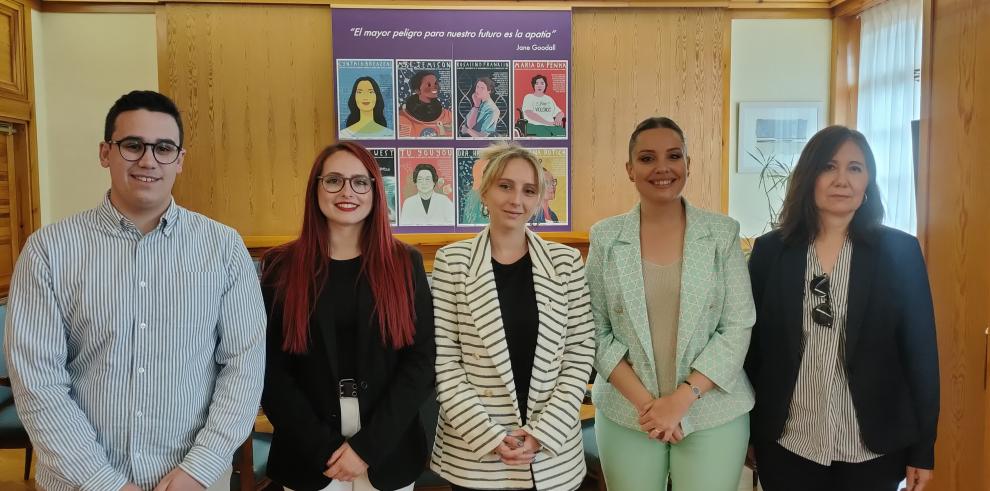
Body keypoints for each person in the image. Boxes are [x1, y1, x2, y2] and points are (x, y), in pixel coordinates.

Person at [4, 90, 266, 491]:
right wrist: (101, 481)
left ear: (180, 160)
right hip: (80, 482)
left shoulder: (223, 247)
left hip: (190, 480)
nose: (148, 160)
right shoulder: (50, 251)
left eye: (163, 148)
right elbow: (38, 382)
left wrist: (201, 467)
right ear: (105, 153)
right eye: (132, 145)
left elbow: (244, 366)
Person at [745, 126, 938, 491]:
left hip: (873, 446)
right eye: (828, 167)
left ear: (869, 181)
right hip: (788, 442)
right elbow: (753, 352)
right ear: (809, 177)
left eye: (855, 168)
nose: (842, 180)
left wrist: (923, 449)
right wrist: (751, 431)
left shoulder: (900, 252)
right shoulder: (771, 252)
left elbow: (921, 358)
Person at [586, 116, 756, 491]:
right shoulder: (605, 238)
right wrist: (652, 407)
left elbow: (738, 326)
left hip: (712, 409)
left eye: (673, 156)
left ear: (688, 165)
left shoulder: (722, 234)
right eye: (647, 158)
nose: (662, 167)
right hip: (628, 412)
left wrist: (681, 400)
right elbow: (593, 331)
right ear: (630, 170)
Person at [260, 142, 436, 491]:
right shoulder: (282, 267)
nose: (347, 192)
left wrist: (366, 448)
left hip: (387, 449)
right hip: (307, 452)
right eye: (334, 181)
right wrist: (323, 449)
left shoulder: (405, 264)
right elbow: (270, 370)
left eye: (360, 182)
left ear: (374, 191)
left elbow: (421, 361)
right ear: (316, 189)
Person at [430, 142, 595, 490]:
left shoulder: (565, 263)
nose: (515, 199)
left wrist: (542, 433)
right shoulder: (452, 262)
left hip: (550, 452)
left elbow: (580, 353)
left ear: (539, 200)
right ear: (485, 190)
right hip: (475, 454)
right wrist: (489, 436)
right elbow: (444, 360)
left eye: (528, 190)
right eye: (505, 186)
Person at [397, 70, 453, 138]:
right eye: (429, 85)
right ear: (417, 90)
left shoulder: (448, 115)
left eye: (435, 83)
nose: (435, 87)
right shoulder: (402, 117)